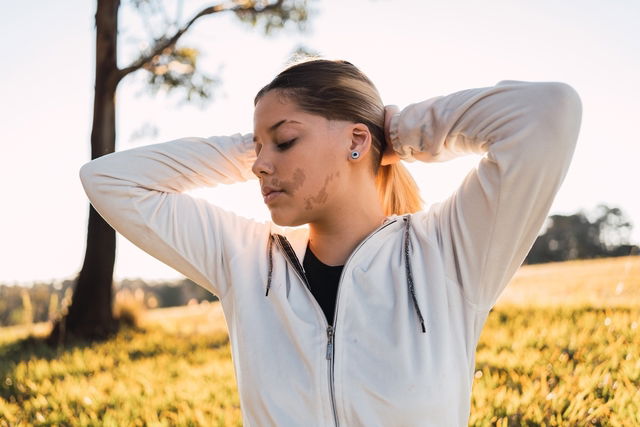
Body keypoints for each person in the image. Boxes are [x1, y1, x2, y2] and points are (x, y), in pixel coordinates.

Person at [79, 59, 582, 426]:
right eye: (258, 148)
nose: (260, 164)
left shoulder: (448, 252)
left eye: (286, 139)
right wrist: (253, 148)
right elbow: (109, 179)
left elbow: (548, 112)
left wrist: (396, 132)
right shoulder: (247, 262)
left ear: (357, 141)